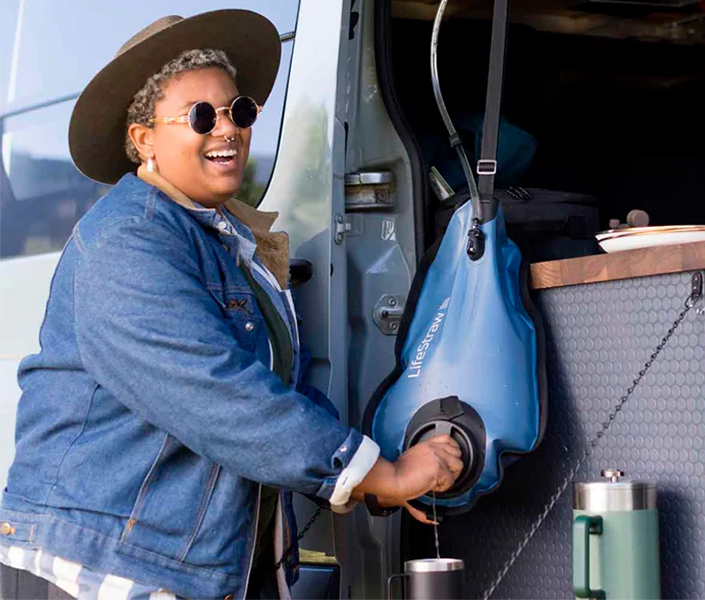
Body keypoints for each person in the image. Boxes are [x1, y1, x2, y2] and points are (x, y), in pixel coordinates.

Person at [0, 10, 462, 600]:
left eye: (238, 111)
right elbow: (217, 394)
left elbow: (276, 387)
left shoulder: (220, 238)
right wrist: (381, 473)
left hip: (181, 566)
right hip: (108, 570)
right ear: (144, 140)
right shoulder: (127, 239)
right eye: (200, 116)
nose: (227, 129)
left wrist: (373, 473)